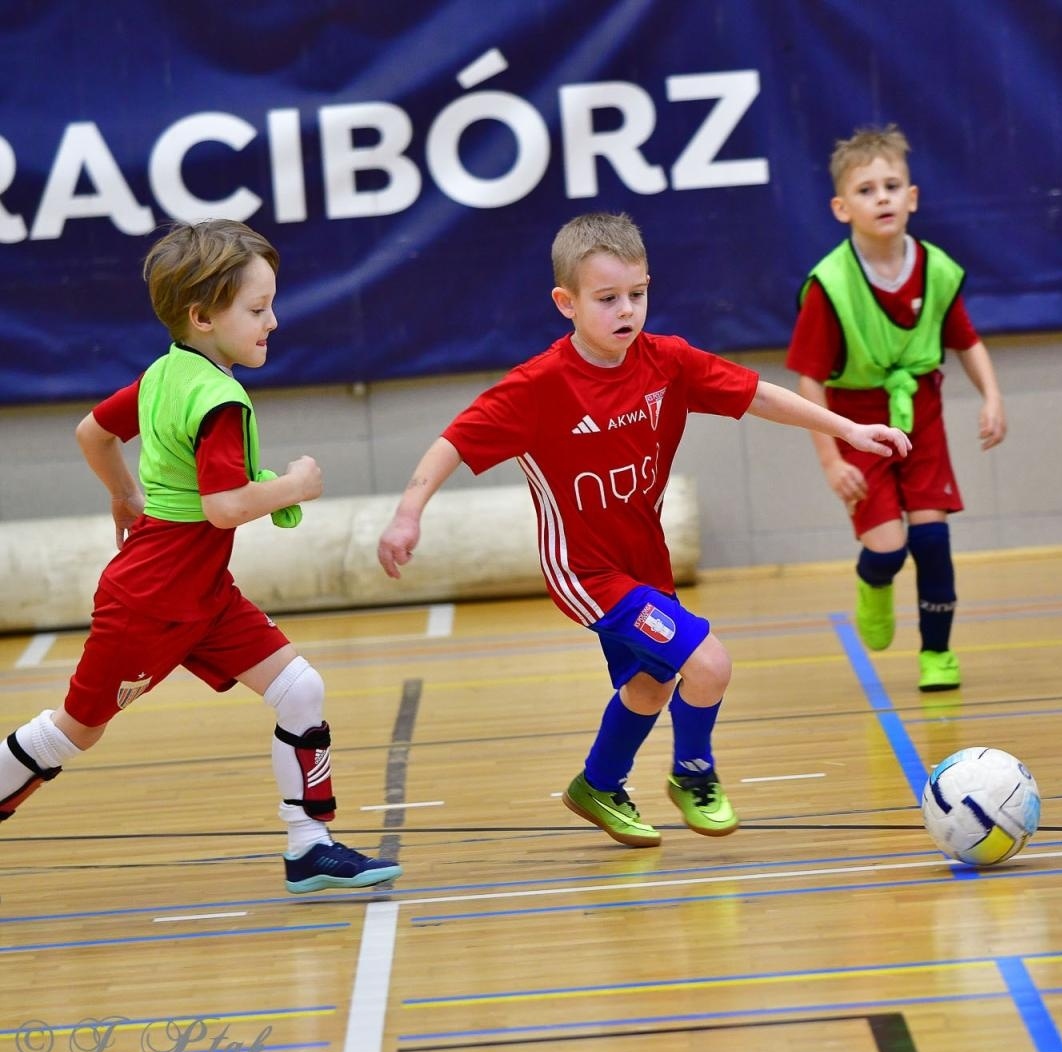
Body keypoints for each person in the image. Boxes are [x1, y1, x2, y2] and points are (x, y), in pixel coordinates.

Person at [376, 211, 909, 848]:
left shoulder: (667, 362)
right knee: (708, 662)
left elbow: (758, 395)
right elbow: (453, 443)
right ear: (565, 304)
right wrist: (409, 512)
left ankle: (598, 783)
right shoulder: (538, 387)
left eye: (638, 294)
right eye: (607, 299)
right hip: (587, 572)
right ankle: (694, 773)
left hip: (645, 562)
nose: (627, 310)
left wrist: (847, 430)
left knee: (650, 686)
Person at [0, 220, 402, 895]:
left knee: (299, 688)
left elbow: (91, 433)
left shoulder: (165, 373)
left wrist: (126, 495)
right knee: (74, 733)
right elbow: (224, 506)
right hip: (152, 600)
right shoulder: (218, 397)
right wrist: (294, 486)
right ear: (203, 316)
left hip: (202, 590)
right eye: (256, 308)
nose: (273, 320)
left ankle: (310, 847)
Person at [787, 124, 1006, 693]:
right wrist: (832, 459)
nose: (881, 197)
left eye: (891, 186)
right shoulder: (829, 285)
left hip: (921, 413)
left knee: (932, 540)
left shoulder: (936, 268)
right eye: (866, 190)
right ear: (841, 207)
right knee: (888, 547)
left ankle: (938, 653)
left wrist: (992, 396)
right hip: (858, 425)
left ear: (912, 198)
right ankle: (873, 581)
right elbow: (808, 379)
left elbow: (966, 340)